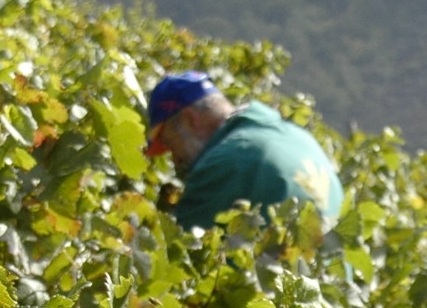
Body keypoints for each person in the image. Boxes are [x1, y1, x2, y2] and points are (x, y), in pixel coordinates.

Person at [145, 71, 344, 231]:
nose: (174, 159)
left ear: (190, 120)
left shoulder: (226, 162)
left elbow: (180, 257)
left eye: (171, 145)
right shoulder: (301, 139)